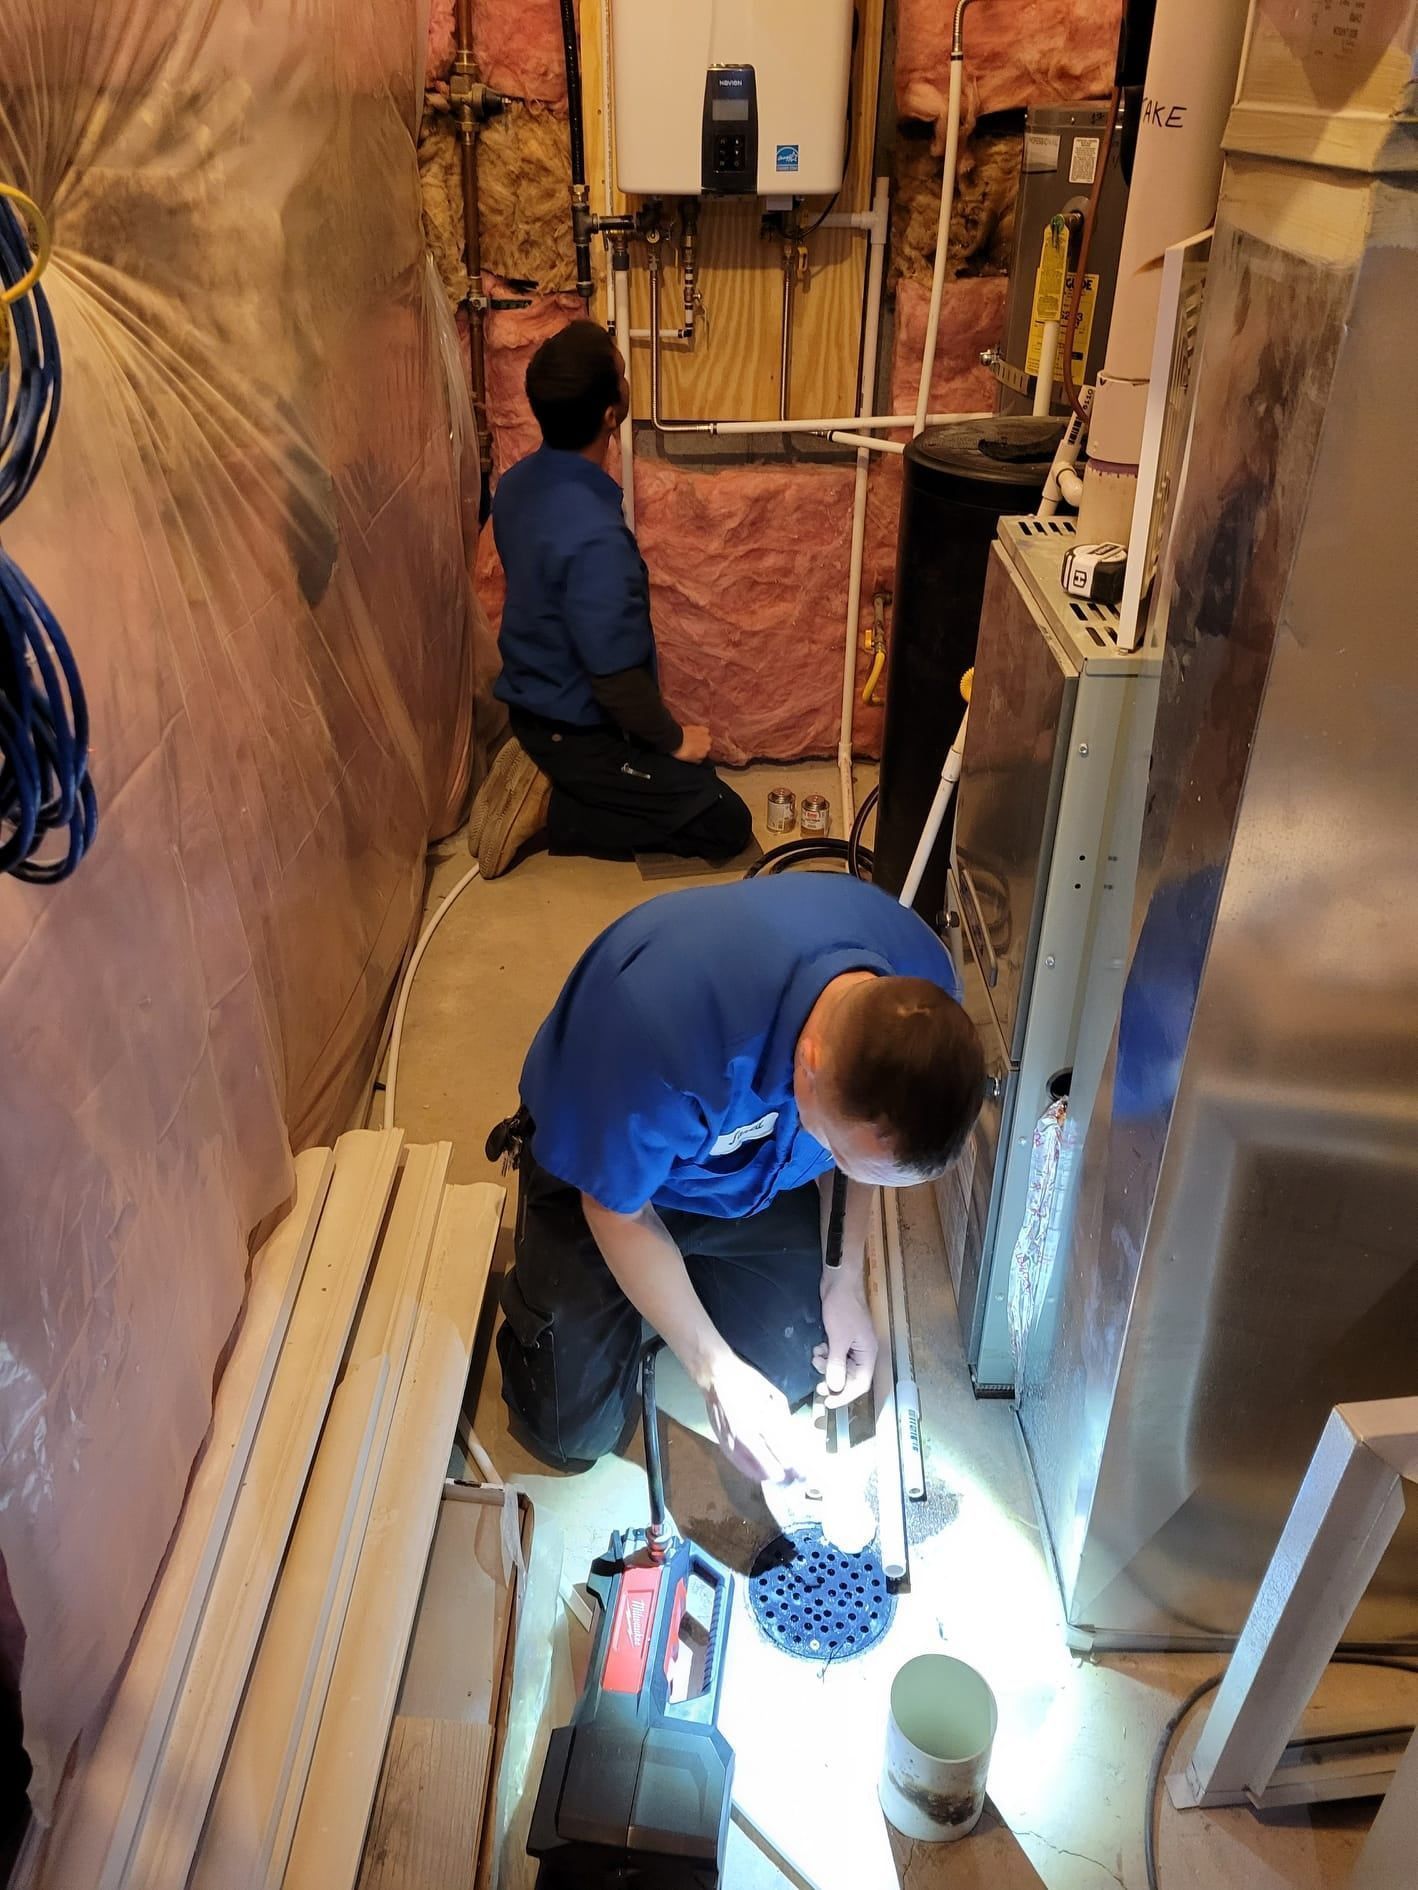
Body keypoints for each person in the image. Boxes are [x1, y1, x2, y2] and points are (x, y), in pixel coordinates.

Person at [489, 872, 985, 1482]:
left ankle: (682, 1283)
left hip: (747, 1165)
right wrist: (713, 1371)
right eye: (838, 1152)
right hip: (608, 1156)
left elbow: (865, 1154)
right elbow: (614, 1210)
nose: (846, 1167)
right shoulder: (662, 1040)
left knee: (794, 1371)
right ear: (809, 1065)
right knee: (569, 1432)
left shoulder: (924, 992)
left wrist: (844, 1280)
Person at [470, 320, 753, 877]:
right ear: (610, 414)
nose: (627, 380)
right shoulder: (596, 537)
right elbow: (615, 680)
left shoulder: (518, 483)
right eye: (622, 374)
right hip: (579, 733)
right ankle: (552, 807)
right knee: (723, 819)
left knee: (693, 778)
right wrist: (672, 740)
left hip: (535, 705)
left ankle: (541, 764)